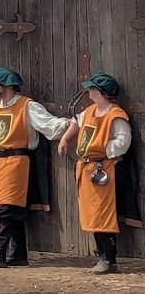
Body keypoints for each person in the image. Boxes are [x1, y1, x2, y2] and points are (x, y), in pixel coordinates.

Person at [0, 67, 69, 269]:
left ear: (7, 85)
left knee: (8, 210)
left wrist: (71, 124)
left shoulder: (27, 106)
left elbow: (49, 126)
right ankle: (18, 255)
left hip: (17, 163)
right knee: (12, 209)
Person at [57, 72, 134, 274]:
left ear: (100, 93)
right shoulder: (91, 111)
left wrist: (102, 150)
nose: (88, 91)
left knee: (103, 214)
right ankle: (101, 255)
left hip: (104, 169)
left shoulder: (115, 115)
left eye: (91, 89)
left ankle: (109, 259)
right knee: (92, 214)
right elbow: (77, 121)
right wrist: (65, 139)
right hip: (87, 169)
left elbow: (122, 142)